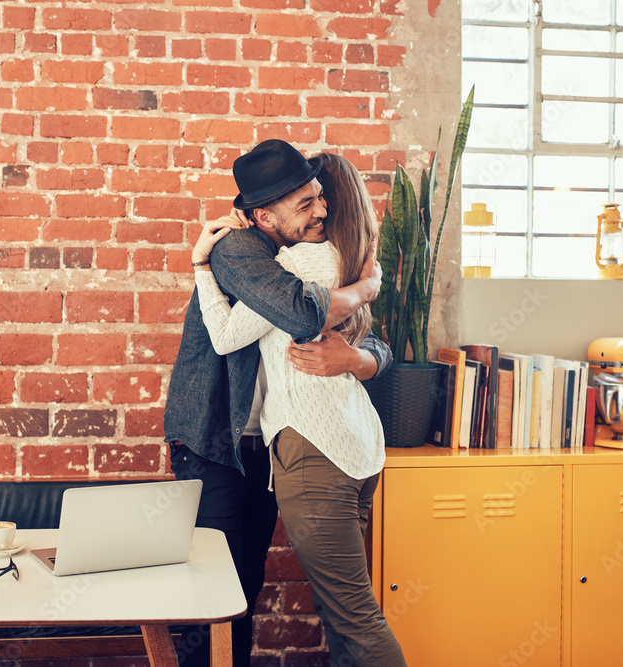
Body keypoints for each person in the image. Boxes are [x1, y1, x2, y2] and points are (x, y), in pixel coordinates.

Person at [163, 140, 392, 667]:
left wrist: (357, 360)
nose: (322, 212)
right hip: (219, 442)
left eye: (321, 198)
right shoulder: (239, 250)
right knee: (214, 594)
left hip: (271, 444)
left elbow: (374, 344)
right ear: (264, 214)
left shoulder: (312, 256)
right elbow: (301, 310)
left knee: (244, 584)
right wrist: (365, 287)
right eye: (306, 204)